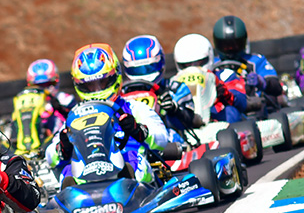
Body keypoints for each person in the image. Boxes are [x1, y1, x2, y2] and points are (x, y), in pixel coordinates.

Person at [53, 42, 173, 184]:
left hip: (127, 164)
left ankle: (130, 191)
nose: (96, 90)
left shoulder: (134, 107)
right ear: (79, 86)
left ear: (114, 77)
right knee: (66, 173)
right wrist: (63, 145)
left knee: (134, 163)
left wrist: (138, 130)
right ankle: (75, 199)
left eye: (102, 83)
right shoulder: (74, 117)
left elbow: (162, 138)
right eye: (89, 86)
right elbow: (50, 155)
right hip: (88, 169)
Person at [121, 35, 200, 135]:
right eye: (137, 70)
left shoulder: (175, 88)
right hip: (130, 143)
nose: (144, 75)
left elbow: (192, 121)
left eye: (149, 68)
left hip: (170, 142)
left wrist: (174, 109)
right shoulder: (121, 95)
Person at [211, 15, 284, 112]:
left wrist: (262, 82)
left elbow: (277, 87)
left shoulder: (256, 61)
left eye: (235, 45)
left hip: (253, 110)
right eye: (226, 46)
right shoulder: (212, 64)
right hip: (222, 110)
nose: (230, 49)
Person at [173, 33, 248, 123]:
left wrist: (225, 93)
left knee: (231, 112)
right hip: (188, 123)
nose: (194, 68)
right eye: (187, 65)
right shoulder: (175, 83)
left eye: (199, 63)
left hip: (219, 125)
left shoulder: (225, 76)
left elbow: (242, 103)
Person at [24, 57, 76, 135]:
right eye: (39, 86)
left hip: (64, 139)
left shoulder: (66, 99)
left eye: (48, 84)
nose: (44, 89)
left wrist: (60, 109)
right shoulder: (27, 104)